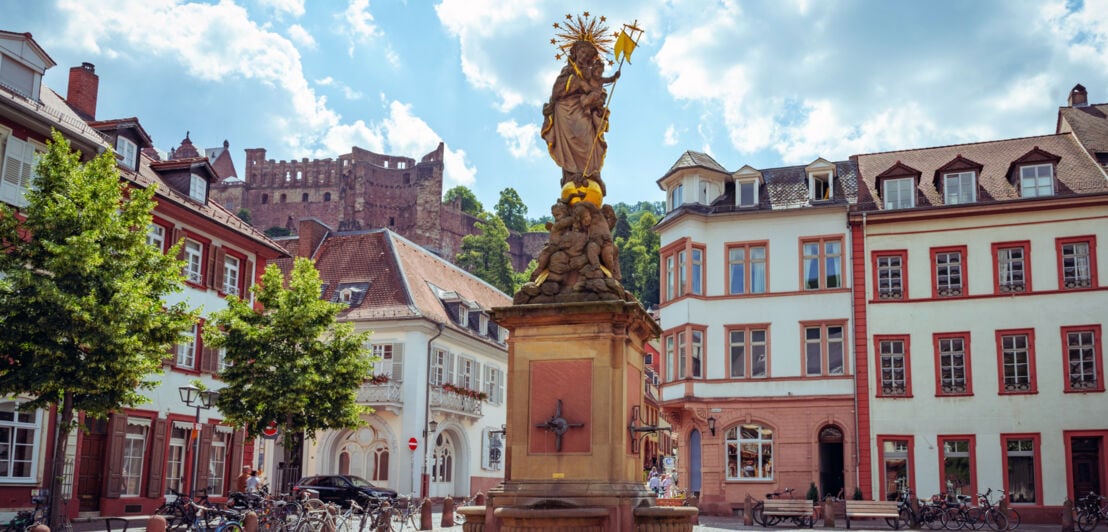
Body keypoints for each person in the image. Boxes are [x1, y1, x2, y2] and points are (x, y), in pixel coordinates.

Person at [542, 39, 620, 195]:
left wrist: (598, 98)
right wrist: (576, 83)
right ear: (576, 52)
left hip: (585, 112)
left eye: (588, 54)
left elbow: (599, 89)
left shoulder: (592, 73)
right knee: (572, 142)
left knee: (589, 141)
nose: (584, 56)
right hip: (566, 111)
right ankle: (571, 175)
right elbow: (556, 91)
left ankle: (591, 173)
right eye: (582, 52)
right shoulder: (568, 71)